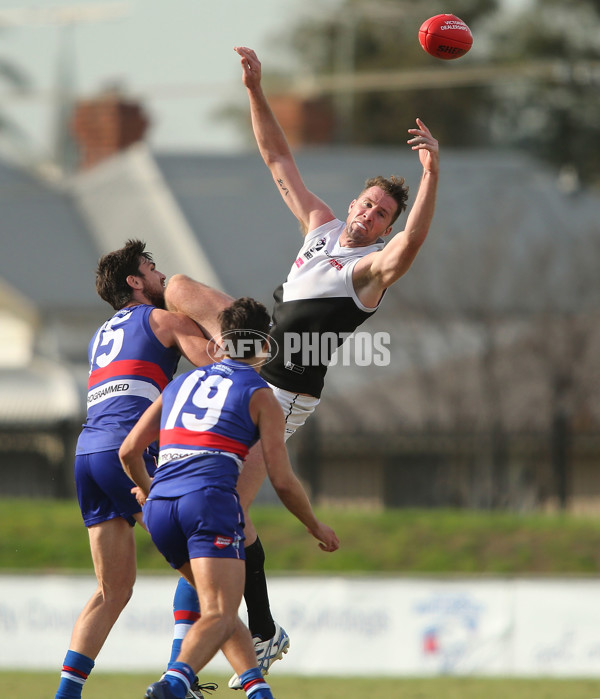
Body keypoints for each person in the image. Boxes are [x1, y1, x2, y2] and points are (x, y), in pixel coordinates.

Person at [166, 44, 440, 688]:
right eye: (368, 203)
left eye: (382, 214)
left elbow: (414, 242)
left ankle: (261, 631)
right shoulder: (319, 228)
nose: (370, 214)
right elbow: (276, 158)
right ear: (353, 204)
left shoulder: (368, 272)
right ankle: (165, 388)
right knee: (177, 289)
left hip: (284, 392)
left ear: (382, 230)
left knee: (230, 507)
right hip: (251, 359)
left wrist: (430, 174)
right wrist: (257, 90)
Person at [119, 297, 339, 699]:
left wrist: (152, 494)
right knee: (219, 612)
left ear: (220, 343)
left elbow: (128, 451)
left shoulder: (180, 384)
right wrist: (315, 525)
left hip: (162, 511)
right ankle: (174, 682)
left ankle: (257, 690)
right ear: (265, 345)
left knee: (219, 609)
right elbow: (284, 481)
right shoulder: (260, 395)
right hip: (210, 504)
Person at [54, 239, 230, 699]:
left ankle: (65, 695)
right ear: (135, 282)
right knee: (209, 572)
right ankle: (182, 677)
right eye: (152, 270)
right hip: (127, 450)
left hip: (87, 452)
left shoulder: (100, 337)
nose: (161, 277)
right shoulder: (164, 319)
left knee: (112, 590)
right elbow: (220, 367)